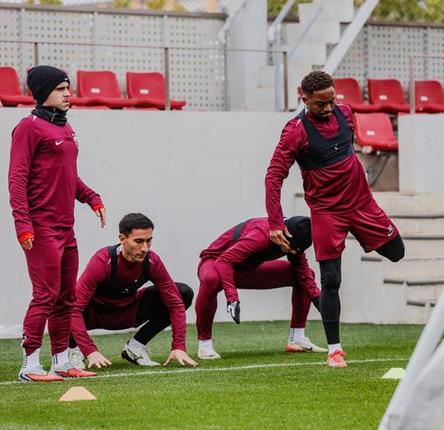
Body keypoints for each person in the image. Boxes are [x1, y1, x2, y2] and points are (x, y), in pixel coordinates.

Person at [265, 71, 405, 368]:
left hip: (362, 204)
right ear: (304, 98)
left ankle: (362, 234)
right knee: (331, 279)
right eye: (320, 104)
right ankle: (335, 350)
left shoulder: (345, 113)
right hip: (327, 212)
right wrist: (275, 222)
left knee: (397, 252)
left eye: (331, 100)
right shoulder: (295, 132)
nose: (328, 108)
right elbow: (274, 176)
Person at [9, 65, 105, 382]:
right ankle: (30, 366)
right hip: (41, 228)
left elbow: (68, 176)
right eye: (60, 89)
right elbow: (17, 180)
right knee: (45, 295)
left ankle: (61, 362)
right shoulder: (28, 128)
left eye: (68, 88)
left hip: (66, 227)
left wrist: (92, 197)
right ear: (43, 92)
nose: (67, 93)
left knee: (66, 298)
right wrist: (23, 225)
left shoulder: (65, 127)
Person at [69, 213, 197, 369]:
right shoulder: (103, 260)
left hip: (128, 312)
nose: (145, 248)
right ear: (122, 238)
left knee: (183, 293)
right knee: (64, 299)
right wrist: (90, 350)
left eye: (148, 241)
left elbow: (175, 304)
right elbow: (74, 309)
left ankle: (135, 347)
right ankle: (74, 350)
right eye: (139, 241)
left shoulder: (152, 261)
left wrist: (179, 346)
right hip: (94, 315)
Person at [195, 216, 325, 359]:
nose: (293, 252)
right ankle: (204, 345)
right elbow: (224, 261)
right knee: (211, 279)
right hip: (216, 263)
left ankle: (297, 338)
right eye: (292, 247)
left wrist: (319, 301)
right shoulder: (261, 235)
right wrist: (232, 298)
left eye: (297, 250)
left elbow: (304, 274)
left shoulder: (294, 238)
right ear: (285, 234)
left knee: (304, 276)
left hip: (245, 269)